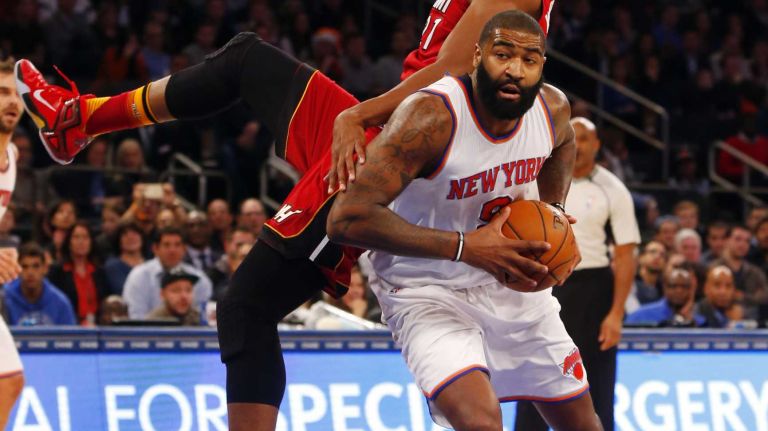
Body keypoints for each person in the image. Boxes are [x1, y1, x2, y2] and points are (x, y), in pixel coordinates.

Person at [16, 1, 557, 428]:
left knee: (245, 310)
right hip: (390, 126)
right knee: (245, 59)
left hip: (400, 149)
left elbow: (451, 70)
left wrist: (356, 113)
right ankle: (78, 120)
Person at [329, 12, 599, 430]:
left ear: (542, 68)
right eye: (502, 54)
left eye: (529, 60)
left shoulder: (552, 108)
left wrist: (555, 212)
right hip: (426, 289)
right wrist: (465, 247)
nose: (514, 69)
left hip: (513, 288)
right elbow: (346, 219)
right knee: (481, 423)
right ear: (477, 56)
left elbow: (564, 143)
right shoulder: (430, 118)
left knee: (583, 424)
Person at [515, 117, 640, 431]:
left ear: (597, 145)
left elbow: (626, 255)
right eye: (573, 138)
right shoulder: (536, 179)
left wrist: (616, 314)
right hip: (542, 284)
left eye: (584, 139)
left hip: (593, 289)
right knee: (535, 375)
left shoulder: (612, 189)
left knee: (595, 384)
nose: (579, 145)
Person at [0, 56, 24, 431]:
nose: (12, 102)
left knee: (10, 380)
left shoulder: (12, 154)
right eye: (3, 92)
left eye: (18, 94)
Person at [122, 227, 212, 319]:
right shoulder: (138, 276)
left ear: (185, 249)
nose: (172, 250)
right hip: (148, 331)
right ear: (155, 248)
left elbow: (204, 318)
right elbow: (135, 318)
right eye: (166, 245)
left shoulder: (200, 279)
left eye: (177, 245)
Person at [47, 221, 110, 326]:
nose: (81, 242)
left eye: (85, 237)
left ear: (91, 242)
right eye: (76, 237)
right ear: (69, 242)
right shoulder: (57, 272)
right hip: (68, 326)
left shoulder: (100, 272)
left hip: (97, 327)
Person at [3, 243, 77, 326]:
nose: (30, 272)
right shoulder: (4, 299)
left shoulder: (61, 303)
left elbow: (70, 338)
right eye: (24, 266)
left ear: (45, 268)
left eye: (36, 266)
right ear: (17, 269)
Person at [712, 224, 768, 320]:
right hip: (717, 324)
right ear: (727, 241)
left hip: (751, 325)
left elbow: (765, 296)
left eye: (747, 241)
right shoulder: (714, 269)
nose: (742, 244)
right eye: (738, 239)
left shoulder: (755, 272)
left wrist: (743, 297)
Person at [625, 267, 704, 327]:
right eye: (673, 286)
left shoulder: (700, 321)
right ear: (664, 288)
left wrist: (691, 322)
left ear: (691, 290)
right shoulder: (639, 315)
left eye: (685, 287)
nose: (679, 291)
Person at [103, 222, 145, 294]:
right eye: (125, 234)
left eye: (135, 233)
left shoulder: (153, 264)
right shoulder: (112, 267)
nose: (130, 237)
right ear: (119, 240)